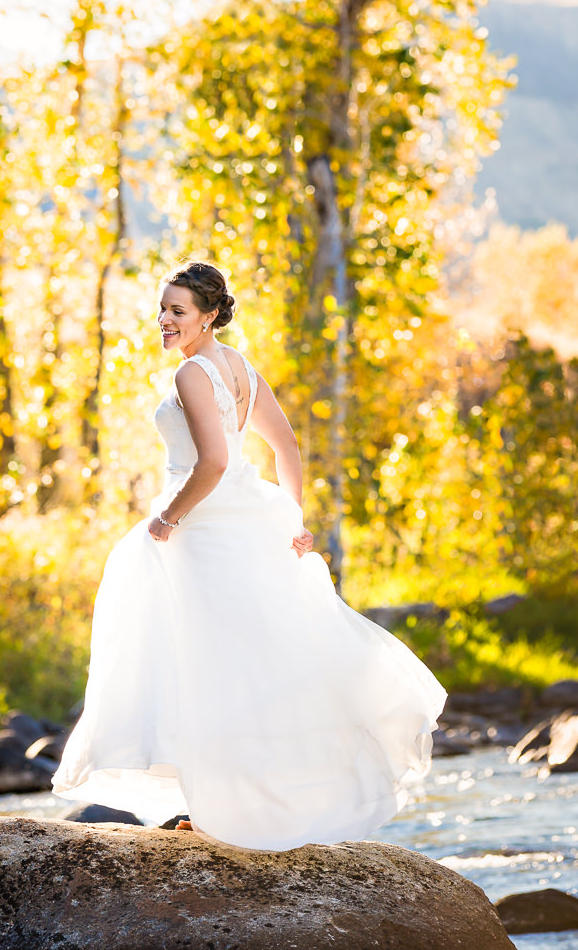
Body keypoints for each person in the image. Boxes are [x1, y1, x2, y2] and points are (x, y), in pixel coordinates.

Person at [52, 261, 446, 850]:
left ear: (209, 316)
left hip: (205, 527)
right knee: (246, 660)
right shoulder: (237, 364)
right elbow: (284, 444)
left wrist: (166, 519)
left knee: (205, 662)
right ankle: (230, 805)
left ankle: (219, 811)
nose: (164, 319)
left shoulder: (192, 374)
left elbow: (210, 463)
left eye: (178, 311)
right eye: (162, 308)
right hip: (247, 516)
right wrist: (293, 517)